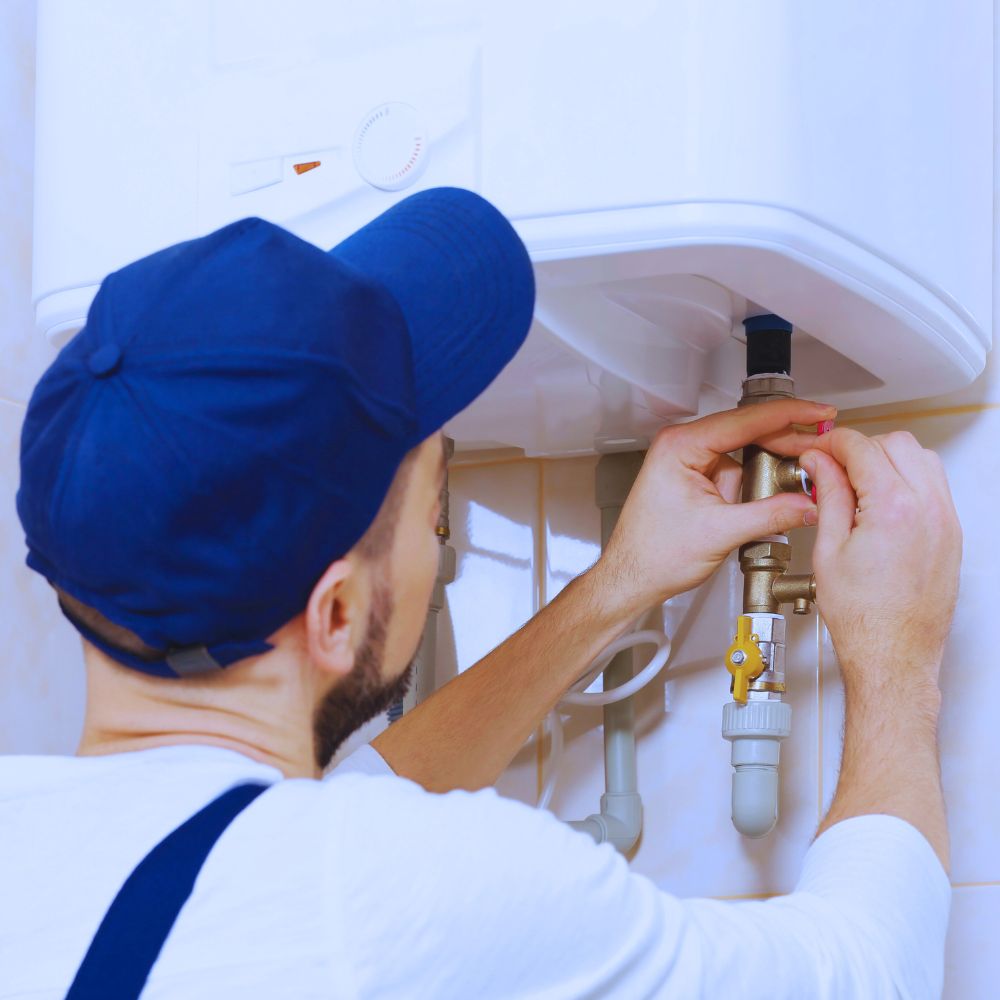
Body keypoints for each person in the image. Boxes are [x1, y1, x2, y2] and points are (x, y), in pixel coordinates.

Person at [1, 188, 960, 999]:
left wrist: (619, 587)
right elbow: (865, 975)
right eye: (433, 504)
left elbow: (312, 826)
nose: (437, 527)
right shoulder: (418, 900)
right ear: (336, 614)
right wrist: (897, 657)